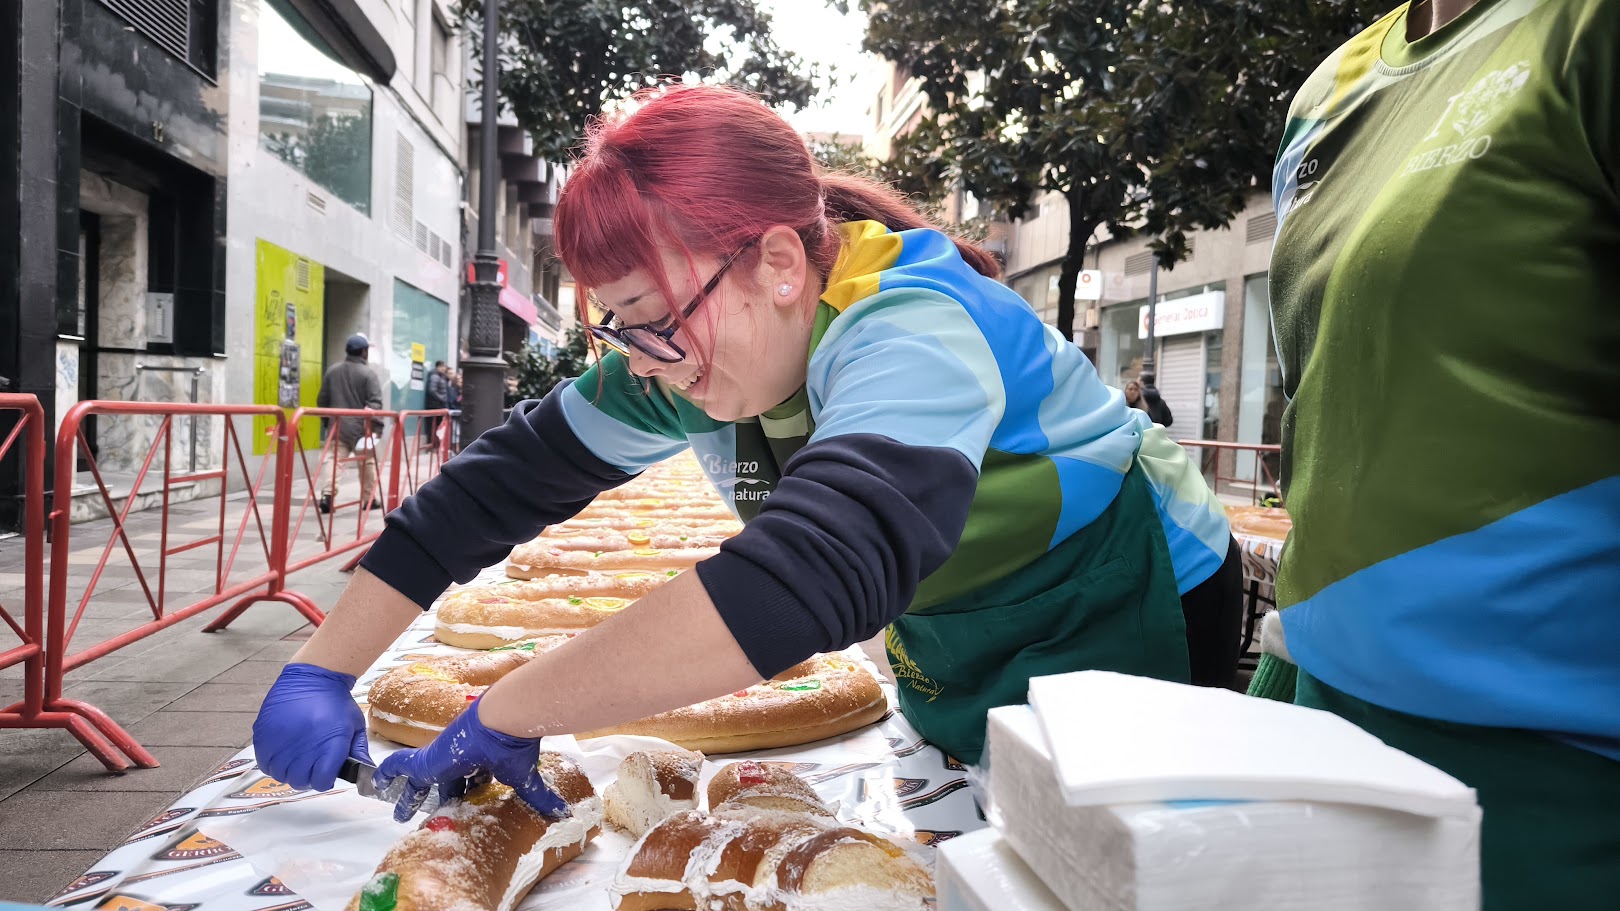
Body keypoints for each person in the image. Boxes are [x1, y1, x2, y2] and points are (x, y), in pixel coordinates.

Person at [251, 85, 1243, 819]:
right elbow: (495, 489)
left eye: (650, 319)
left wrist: (511, 706)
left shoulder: (910, 328)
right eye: (620, 330)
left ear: (774, 262)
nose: (641, 364)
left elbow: (813, 571)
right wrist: (322, 666)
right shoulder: (691, 355)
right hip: (963, 631)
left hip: (1125, 604)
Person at [1262, 0, 1619, 906]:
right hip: (1328, 730)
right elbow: (1327, 402)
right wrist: (1287, 653)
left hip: (1559, 783)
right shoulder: (1324, 93)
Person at [315, 333, 384, 512]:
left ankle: (328, 495)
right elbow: (375, 403)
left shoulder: (332, 370)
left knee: (334, 460)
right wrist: (376, 427)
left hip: (338, 425)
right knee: (366, 462)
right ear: (363, 352)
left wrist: (326, 421)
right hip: (362, 427)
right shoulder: (368, 374)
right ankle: (369, 499)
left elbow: (322, 399)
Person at [423, 360, 450, 442]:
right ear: (438, 367)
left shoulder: (441, 376)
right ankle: (432, 444)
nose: (444, 369)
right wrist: (442, 398)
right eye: (442, 367)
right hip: (434, 405)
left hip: (438, 405)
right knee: (433, 426)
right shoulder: (435, 376)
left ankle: (435, 444)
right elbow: (432, 390)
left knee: (437, 426)